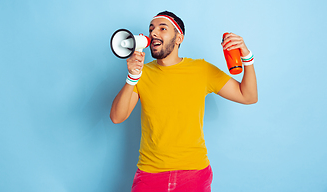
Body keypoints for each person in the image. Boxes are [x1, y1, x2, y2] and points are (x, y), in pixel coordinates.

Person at [110, 11, 258, 192]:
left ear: (179, 37)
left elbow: (248, 96)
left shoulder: (201, 70)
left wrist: (247, 56)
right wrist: (132, 77)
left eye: (162, 28)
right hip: (150, 173)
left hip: (194, 173)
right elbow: (117, 117)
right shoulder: (142, 74)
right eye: (151, 29)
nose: (154, 33)